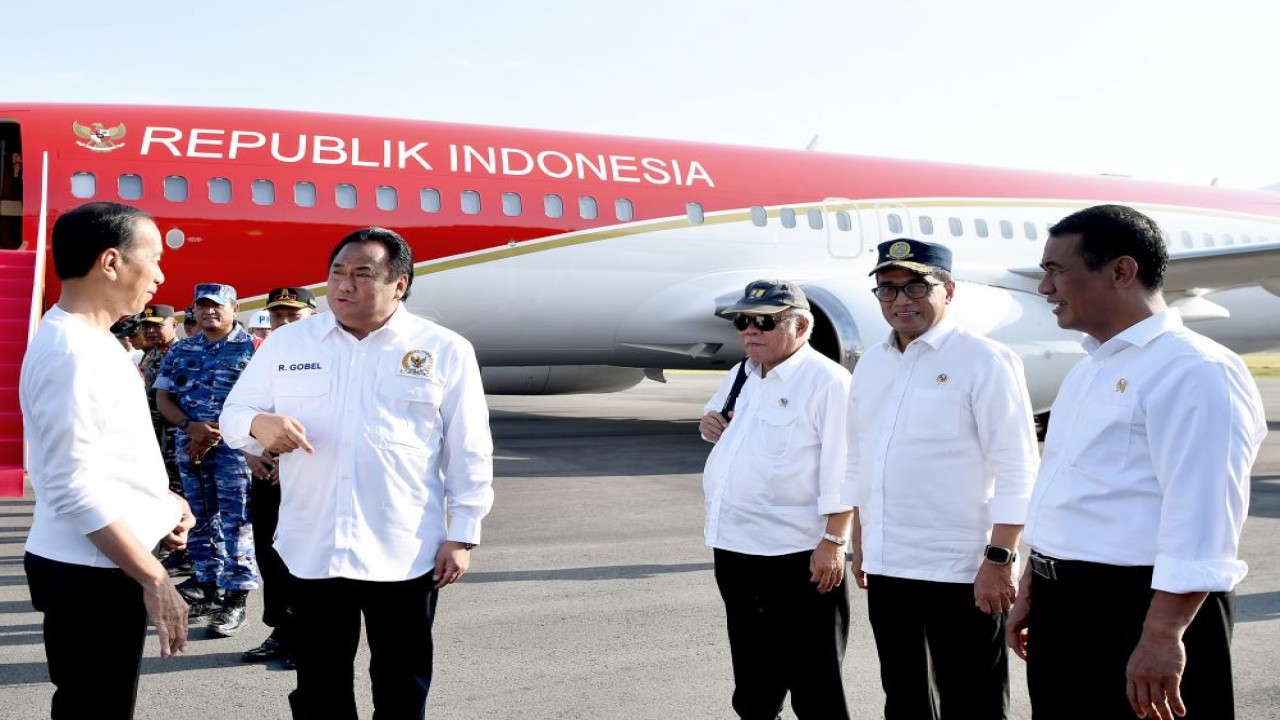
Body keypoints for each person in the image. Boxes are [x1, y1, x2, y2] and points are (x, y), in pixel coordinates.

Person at [220, 228, 495, 719]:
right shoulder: (288, 342)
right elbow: (234, 411)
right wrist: (259, 424)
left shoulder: (444, 349)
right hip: (314, 546)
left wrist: (463, 534)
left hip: (405, 549)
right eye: (337, 273)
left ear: (400, 284)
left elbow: (469, 449)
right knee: (319, 684)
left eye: (362, 274)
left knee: (401, 681)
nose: (343, 285)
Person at [1007, 205, 1268, 720]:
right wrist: (1035, 584)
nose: (1044, 288)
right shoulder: (1090, 370)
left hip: (1141, 609)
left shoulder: (1195, 369)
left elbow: (1203, 518)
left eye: (1056, 270)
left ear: (1121, 271)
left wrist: (1162, 635)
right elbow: (1066, 490)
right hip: (1067, 605)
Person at [845, 239, 1039, 719]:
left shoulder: (985, 360)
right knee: (904, 696)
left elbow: (1017, 466)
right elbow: (863, 459)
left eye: (916, 286)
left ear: (948, 290)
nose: (901, 300)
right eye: (887, 289)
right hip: (891, 565)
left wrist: (1000, 558)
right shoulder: (871, 364)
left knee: (972, 698)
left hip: (964, 568)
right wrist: (862, 538)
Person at [20, 201, 194, 719]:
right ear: (112, 262)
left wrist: (163, 504)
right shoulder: (72, 354)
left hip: (100, 559)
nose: (161, 275)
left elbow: (109, 459)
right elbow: (71, 484)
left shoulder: (91, 341)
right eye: (154, 258)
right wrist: (155, 579)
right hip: (91, 572)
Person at [699, 279, 852, 720]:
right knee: (752, 673)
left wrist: (834, 541)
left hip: (798, 552)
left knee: (815, 678)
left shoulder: (828, 382)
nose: (750, 331)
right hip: (734, 544)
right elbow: (718, 423)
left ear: (801, 325)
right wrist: (707, 424)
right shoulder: (742, 372)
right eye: (742, 321)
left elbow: (843, 468)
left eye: (764, 322)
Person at [155, 283, 260, 637]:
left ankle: (236, 597)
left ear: (234, 306)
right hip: (191, 448)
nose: (208, 311)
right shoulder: (183, 349)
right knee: (199, 521)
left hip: (236, 450)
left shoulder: (255, 348)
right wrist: (190, 426)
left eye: (216, 305)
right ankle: (207, 585)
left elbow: (268, 402)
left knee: (236, 522)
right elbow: (164, 398)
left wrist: (224, 431)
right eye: (202, 306)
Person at [241, 286, 318, 670]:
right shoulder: (262, 357)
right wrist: (251, 455)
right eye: (277, 316)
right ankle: (281, 630)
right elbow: (239, 412)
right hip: (266, 474)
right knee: (269, 556)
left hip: (306, 477)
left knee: (302, 559)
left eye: (293, 315)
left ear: (313, 316)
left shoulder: (330, 355)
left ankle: (307, 636)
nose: (283, 323)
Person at [138, 303, 193, 576]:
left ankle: (185, 553)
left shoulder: (181, 353)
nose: (150, 330)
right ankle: (174, 550)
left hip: (174, 437)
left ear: (174, 325)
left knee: (180, 494)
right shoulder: (150, 355)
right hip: (154, 436)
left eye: (157, 325)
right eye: (146, 326)